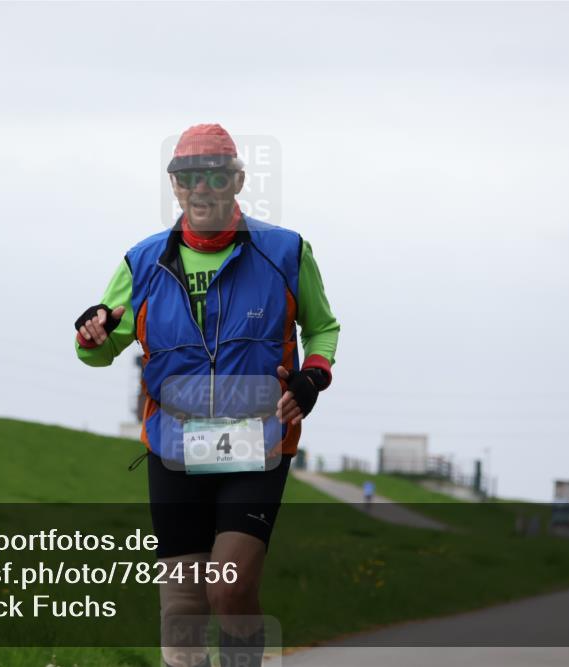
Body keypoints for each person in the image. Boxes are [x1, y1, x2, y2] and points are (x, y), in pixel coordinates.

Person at [74, 124, 340, 667]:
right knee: (182, 606)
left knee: (230, 588)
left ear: (237, 180)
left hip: (259, 438)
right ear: (174, 186)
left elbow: (323, 329)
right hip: (175, 442)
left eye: (215, 175)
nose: (201, 188)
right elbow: (99, 348)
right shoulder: (142, 263)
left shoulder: (286, 252)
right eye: (187, 177)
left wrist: (312, 378)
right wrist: (91, 334)